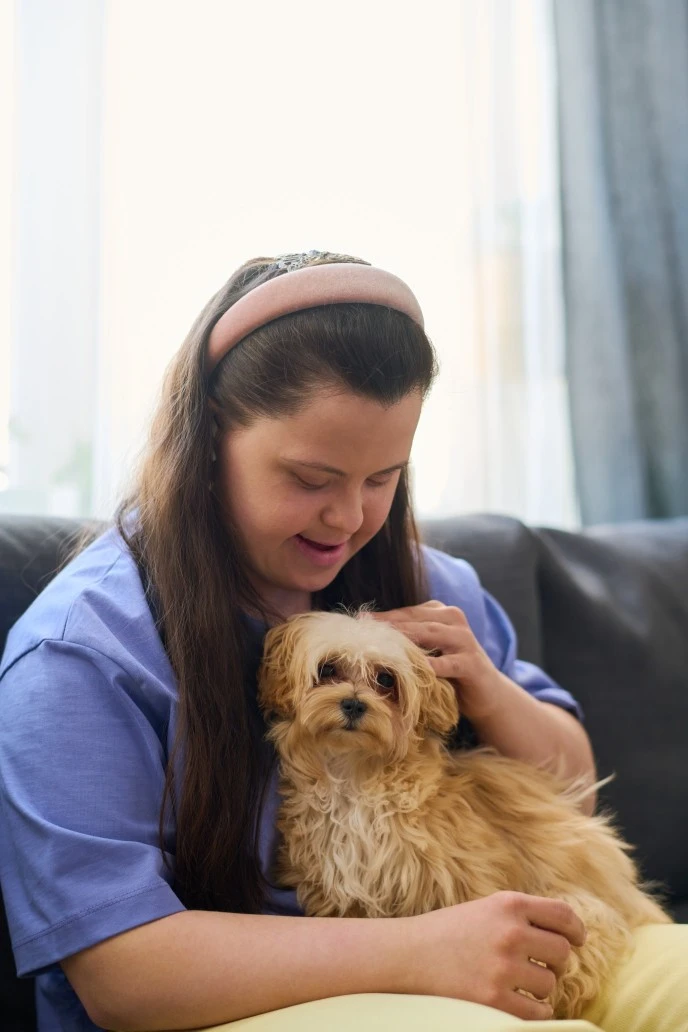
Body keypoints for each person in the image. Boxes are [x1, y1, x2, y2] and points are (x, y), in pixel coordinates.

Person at [0, 251, 684, 1032]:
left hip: (487, 950)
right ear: (211, 437)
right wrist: (421, 951)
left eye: (383, 478)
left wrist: (488, 693)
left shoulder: (433, 588)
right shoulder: (80, 655)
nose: (350, 520)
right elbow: (123, 977)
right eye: (312, 478)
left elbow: (577, 795)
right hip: (227, 1005)